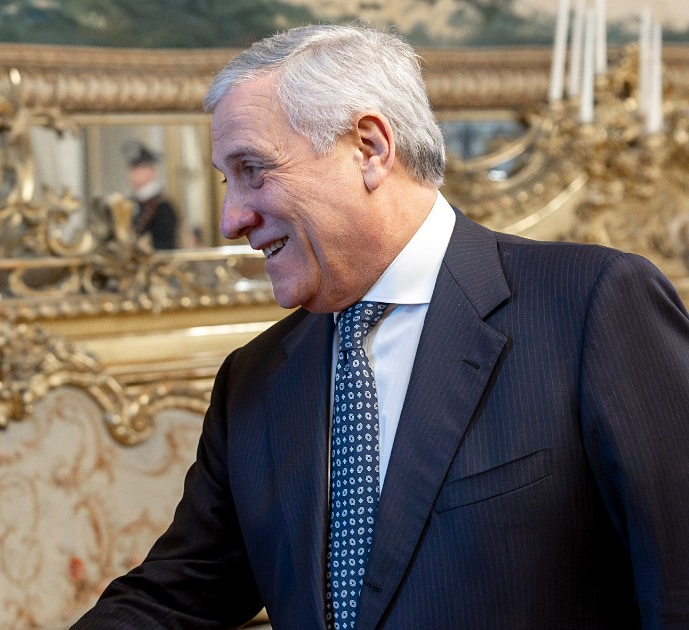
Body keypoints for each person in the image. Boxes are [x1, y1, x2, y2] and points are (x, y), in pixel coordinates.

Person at [75, 24, 689, 629]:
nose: (231, 219)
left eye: (253, 170)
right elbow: (173, 596)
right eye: (225, 180)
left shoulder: (591, 306)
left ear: (369, 149)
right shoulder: (253, 382)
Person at [125, 143, 179, 249]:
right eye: (133, 168)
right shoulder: (130, 203)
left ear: (151, 171)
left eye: (139, 168)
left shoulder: (163, 208)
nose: (133, 173)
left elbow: (164, 247)